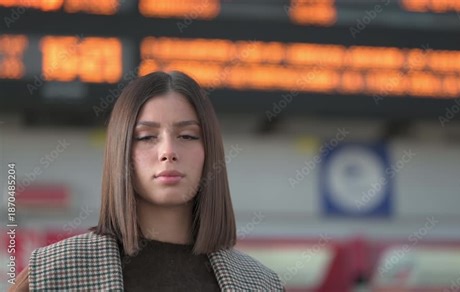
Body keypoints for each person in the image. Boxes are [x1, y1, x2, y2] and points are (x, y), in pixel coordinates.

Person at [9, 71, 284, 291]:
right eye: (146, 137)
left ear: (209, 151)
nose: (168, 152)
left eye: (187, 136)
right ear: (122, 152)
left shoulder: (260, 284)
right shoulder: (54, 274)